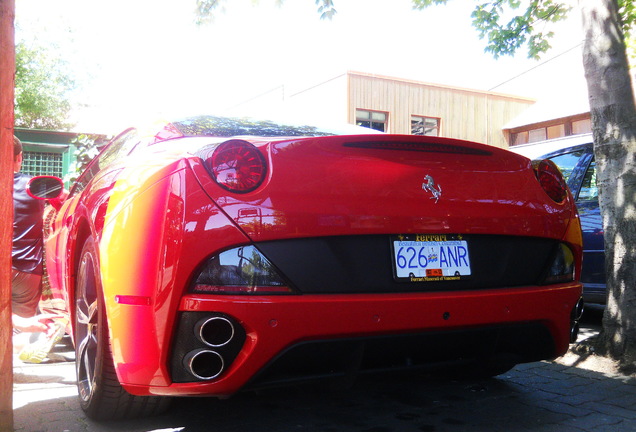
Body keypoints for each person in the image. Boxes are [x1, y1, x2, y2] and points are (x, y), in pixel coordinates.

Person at [12, 136, 65, 362]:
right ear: (19, 158)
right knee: (19, 326)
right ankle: (24, 347)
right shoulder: (34, 186)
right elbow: (64, 202)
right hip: (25, 271)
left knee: (13, 321)